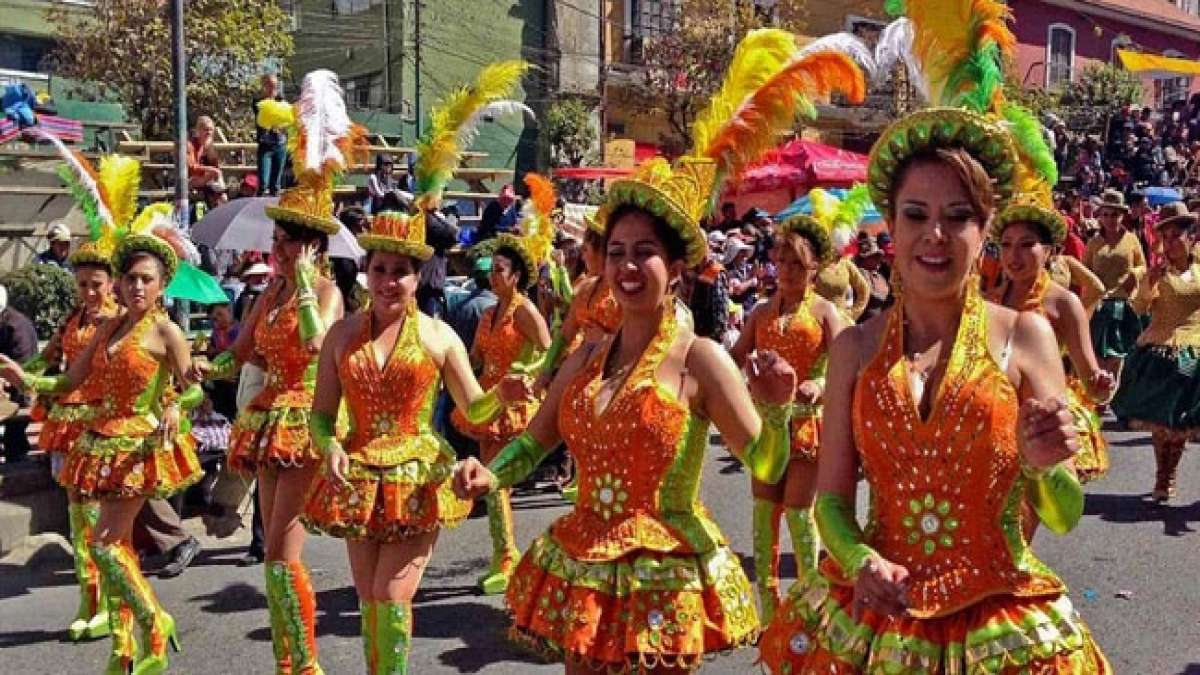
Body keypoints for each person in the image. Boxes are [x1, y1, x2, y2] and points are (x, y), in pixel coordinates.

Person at [301, 210, 515, 673]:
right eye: (380, 269)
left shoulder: (440, 336)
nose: (388, 281)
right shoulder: (340, 335)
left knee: (391, 593)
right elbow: (320, 417)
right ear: (367, 272)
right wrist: (330, 446)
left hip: (416, 479)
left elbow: (472, 408)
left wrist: (503, 395)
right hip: (358, 479)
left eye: (401, 272)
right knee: (368, 599)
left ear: (419, 278)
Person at [196, 70, 359, 675]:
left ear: (315, 248)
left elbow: (322, 350)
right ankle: (292, 661)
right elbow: (242, 355)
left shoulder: (325, 292)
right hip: (265, 423)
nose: (281, 250)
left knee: (285, 551)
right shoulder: (267, 298)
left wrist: (309, 290)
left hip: (304, 421)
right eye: (279, 241)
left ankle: (302, 664)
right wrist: (194, 368)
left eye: (292, 242)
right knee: (272, 553)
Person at [0, 194, 204, 675]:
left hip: (136, 445)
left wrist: (175, 406)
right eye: (130, 278)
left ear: (162, 285)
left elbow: (192, 392)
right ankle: (128, 648)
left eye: (145, 279)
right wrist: (26, 380)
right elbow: (69, 380)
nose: (136, 286)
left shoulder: (167, 332)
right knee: (106, 545)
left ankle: (152, 623)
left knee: (109, 544)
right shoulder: (108, 325)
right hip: (98, 440)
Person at [730, 211, 846, 623]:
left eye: (797, 263)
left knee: (799, 513)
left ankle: (810, 613)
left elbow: (849, 364)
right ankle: (769, 614)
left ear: (814, 267)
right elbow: (733, 359)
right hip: (767, 427)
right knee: (763, 514)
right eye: (782, 261)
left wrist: (824, 384)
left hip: (807, 428)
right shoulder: (762, 312)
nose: (788, 270)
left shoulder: (825, 313)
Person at [451, 188, 553, 595]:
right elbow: (475, 359)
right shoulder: (489, 313)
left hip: (516, 406)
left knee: (497, 483)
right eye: (490, 269)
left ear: (515, 276)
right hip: (490, 405)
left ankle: (510, 558)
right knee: (494, 485)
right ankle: (505, 556)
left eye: (499, 270)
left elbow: (549, 352)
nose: (492, 276)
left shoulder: (525, 311)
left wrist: (524, 374)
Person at [20, 240, 117, 638]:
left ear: (112, 283)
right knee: (77, 517)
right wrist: (21, 372)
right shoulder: (73, 319)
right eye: (82, 285)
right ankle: (88, 598)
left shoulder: (119, 322)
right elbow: (47, 359)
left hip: (103, 426)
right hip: (68, 425)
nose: (89, 293)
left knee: (97, 518)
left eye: (96, 284)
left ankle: (110, 600)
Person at [990, 192, 1117, 493]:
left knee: (1018, 525)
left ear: (1049, 251)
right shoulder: (987, 300)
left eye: (1026, 245)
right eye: (1006, 245)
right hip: (990, 421)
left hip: (1038, 426)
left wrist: (1101, 386)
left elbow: (1091, 382)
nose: (1013, 256)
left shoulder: (1065, 304)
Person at [1113, 202, 1200, 501]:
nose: (1172, 242)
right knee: (1162, 421)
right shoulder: (1154, 273)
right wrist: (1149, 281)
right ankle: (1163, 476)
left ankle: (1169, 474)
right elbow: (1138, 307)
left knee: (1181, 422)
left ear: (1191, 237)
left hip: (1195, 353)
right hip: (1162, 351)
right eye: (1167, 236)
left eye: (1178, 235)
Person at [1085, 189, 1147, 385]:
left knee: (1118, 353)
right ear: (1100, 217)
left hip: (1123, 303)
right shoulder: (1094, 242)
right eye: (1106, 214)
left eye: (1115, 215)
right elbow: (1082, 268)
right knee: (1097, 353)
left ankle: (1114, 392)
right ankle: (1100, 393)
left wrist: (1134, 275)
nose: (1110, 219)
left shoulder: (1131, 239)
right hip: (1099, 305)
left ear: (1123, 216)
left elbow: (1143, 266)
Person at [0, 285, 37, 464]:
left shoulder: (14, 327)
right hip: (15, 385)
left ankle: (16, 455)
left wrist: (4, 379)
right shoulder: (7, 319)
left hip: (23, 389)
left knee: (13, 428)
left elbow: (22, 368)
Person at [253, 74, 288, 196]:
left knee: (276, 185)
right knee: (263, 182)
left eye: (275, 85)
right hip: (265, 145)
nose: (272, 88)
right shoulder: (258, 101)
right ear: (264, 86)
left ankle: (274, 211)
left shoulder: (281, 100)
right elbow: (265, 116)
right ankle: (257, 209)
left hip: (280, 144)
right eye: (269, 85)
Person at [187, 115, 225, 198]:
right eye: (206, 129)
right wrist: (211, 170)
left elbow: (216, 165)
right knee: (214, 173)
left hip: (201, 180)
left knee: (221, 195)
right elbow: (191, 168)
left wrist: (214, 170)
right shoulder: (190, 145)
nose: (209, 132)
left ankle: (222, 194)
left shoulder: (205, 146)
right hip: (186, 182)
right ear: (198, 130)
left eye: (211, 130)